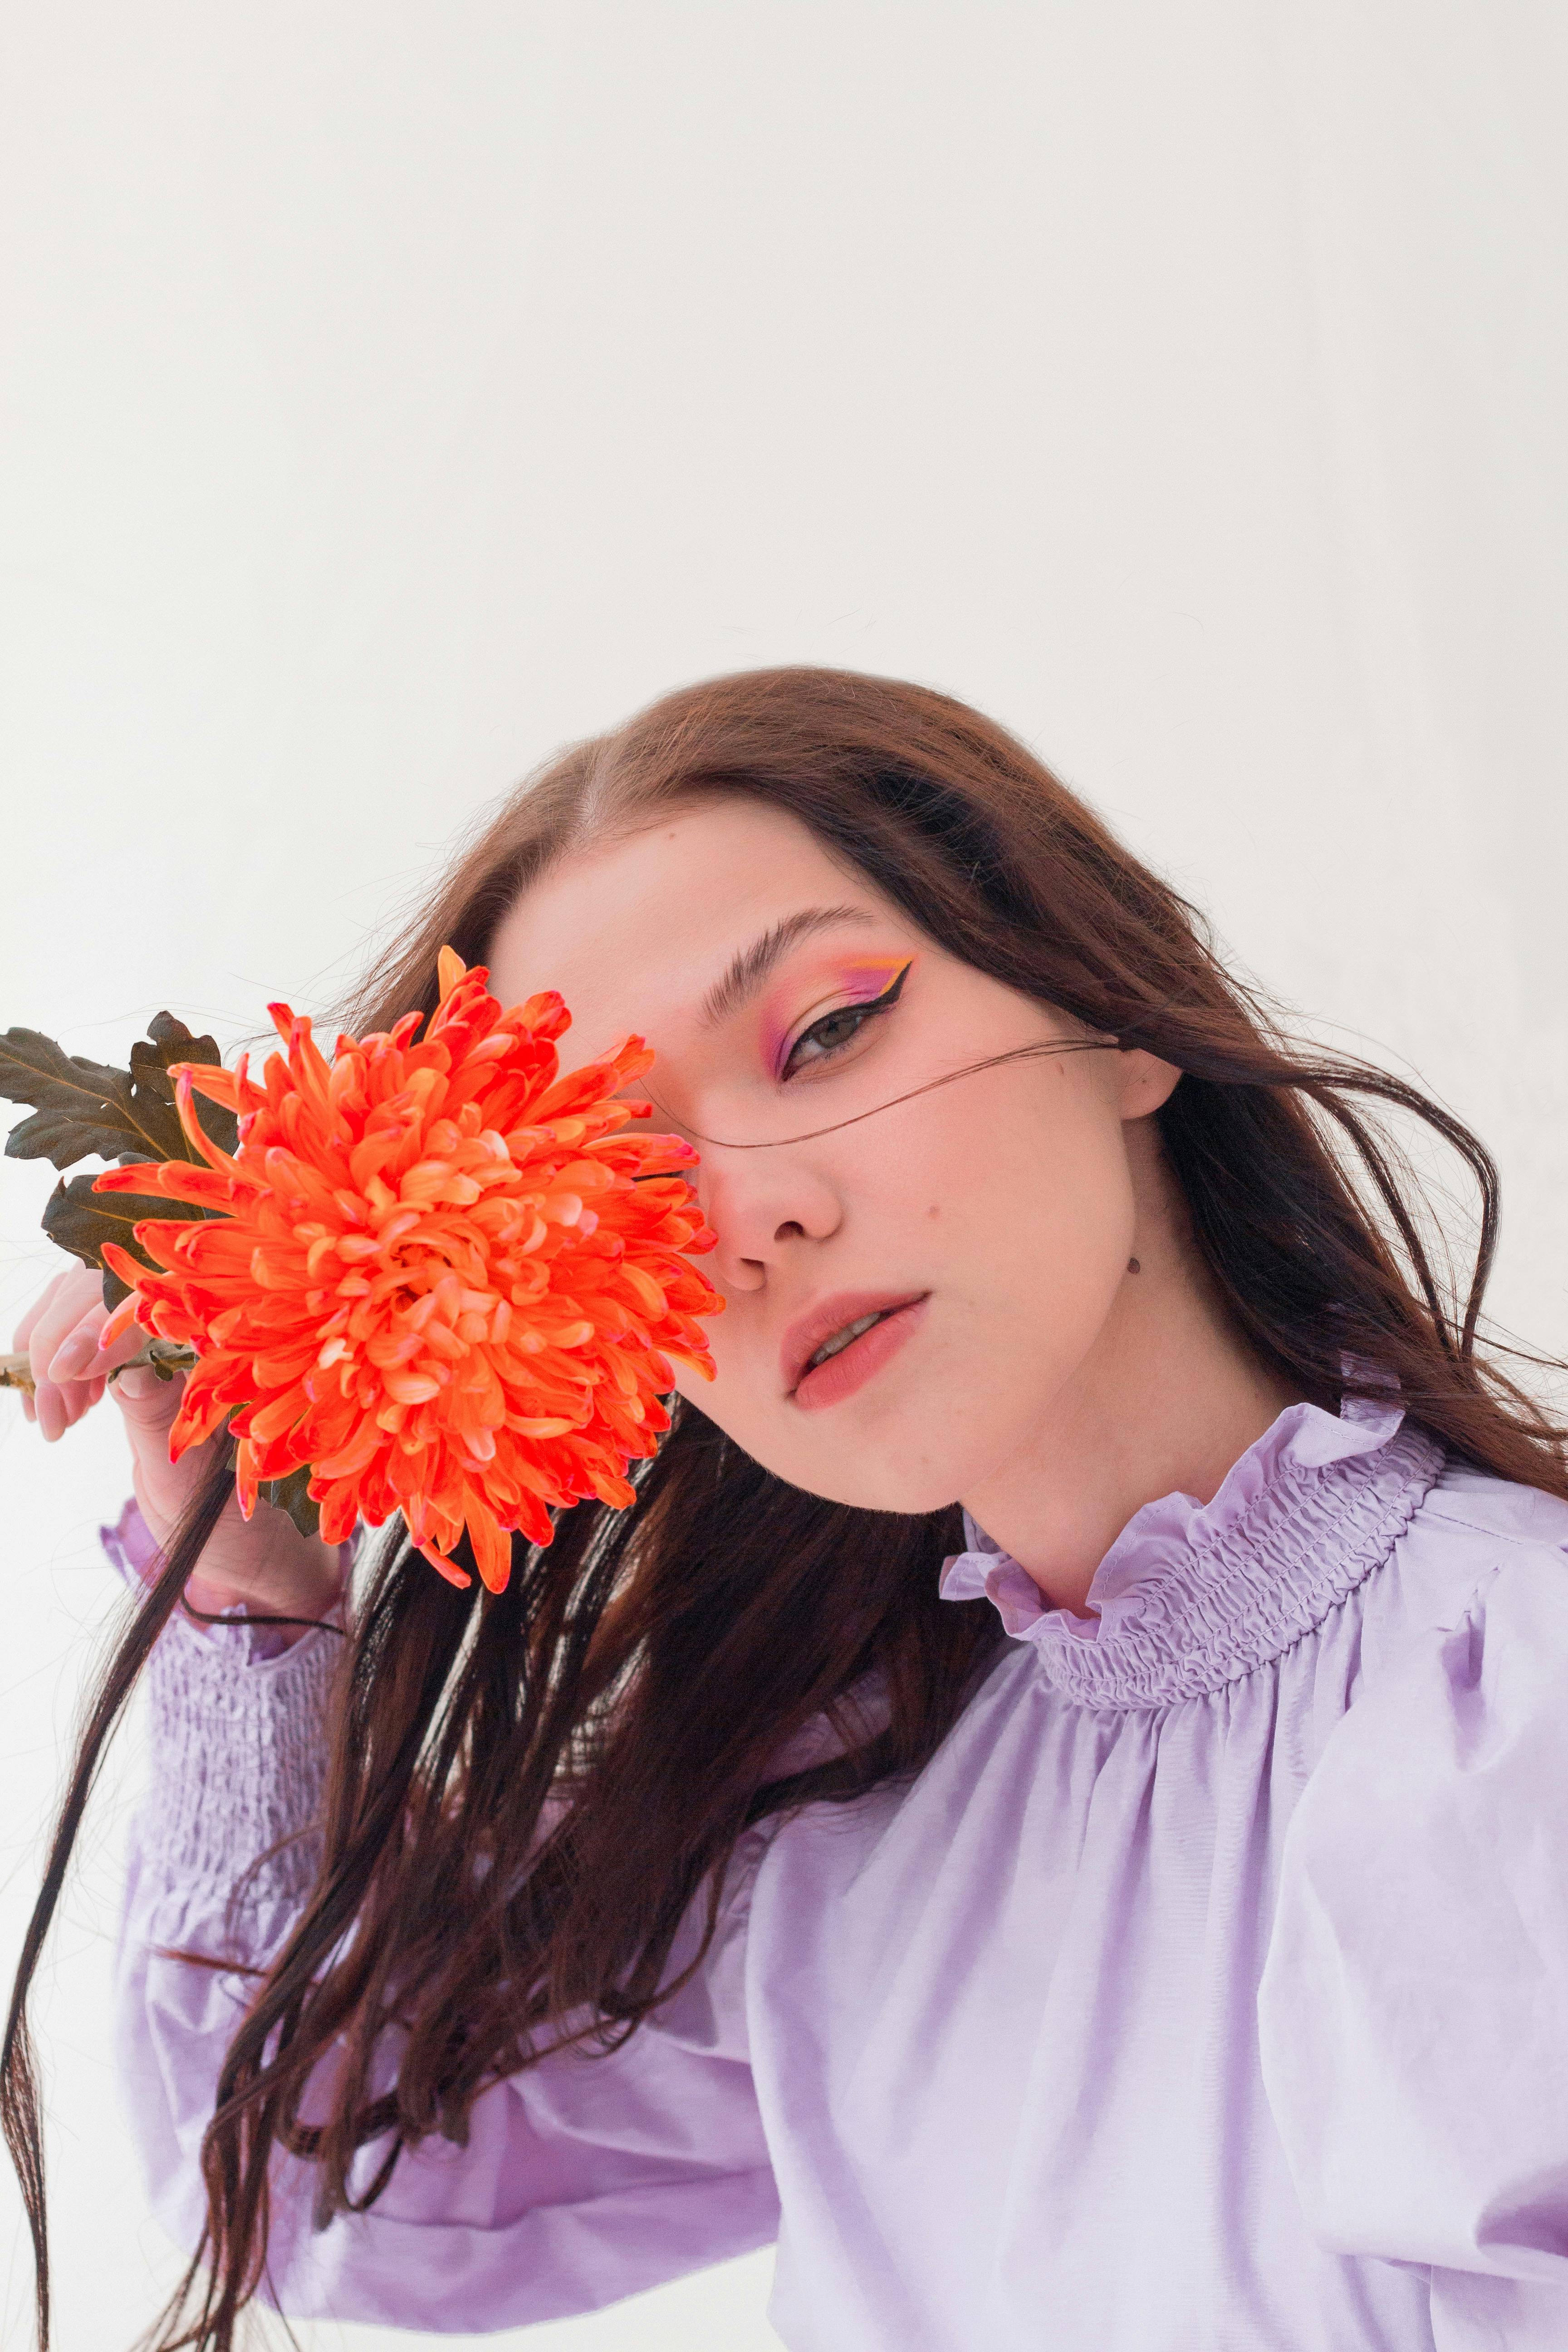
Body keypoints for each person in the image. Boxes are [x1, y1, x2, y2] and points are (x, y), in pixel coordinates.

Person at [11, 667, 1568, 2352]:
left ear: (1112, 1015)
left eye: (828, 1034)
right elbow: (320, 2182)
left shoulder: (1516, 1715)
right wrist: (247, 1580)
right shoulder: (853, 1819)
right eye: (626, 1184)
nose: (748, 1222)